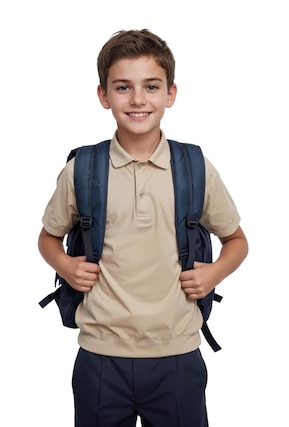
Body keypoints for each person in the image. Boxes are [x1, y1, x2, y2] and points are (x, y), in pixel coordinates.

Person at [37, 29, 248, 427]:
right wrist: (66, 266)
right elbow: (48, 237)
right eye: (123, 87)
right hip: (100, 357)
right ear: (104, 96)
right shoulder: (81, 170)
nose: (137, 99)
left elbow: (236, 240)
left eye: (151, 86)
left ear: (170, 94)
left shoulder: (195, 168)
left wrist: (214, 273)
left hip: (178, 355)